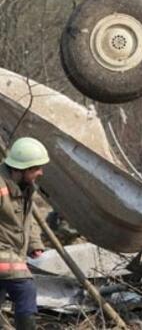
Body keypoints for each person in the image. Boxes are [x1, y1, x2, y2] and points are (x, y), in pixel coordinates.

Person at [0, 137, 50, 330]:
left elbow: (27, 220)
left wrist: (34, 244)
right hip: (3, 252)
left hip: (13, 252)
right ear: (24, 169)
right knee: (25, 287)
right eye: (37, 168)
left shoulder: (25, 188)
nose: (41, 172)